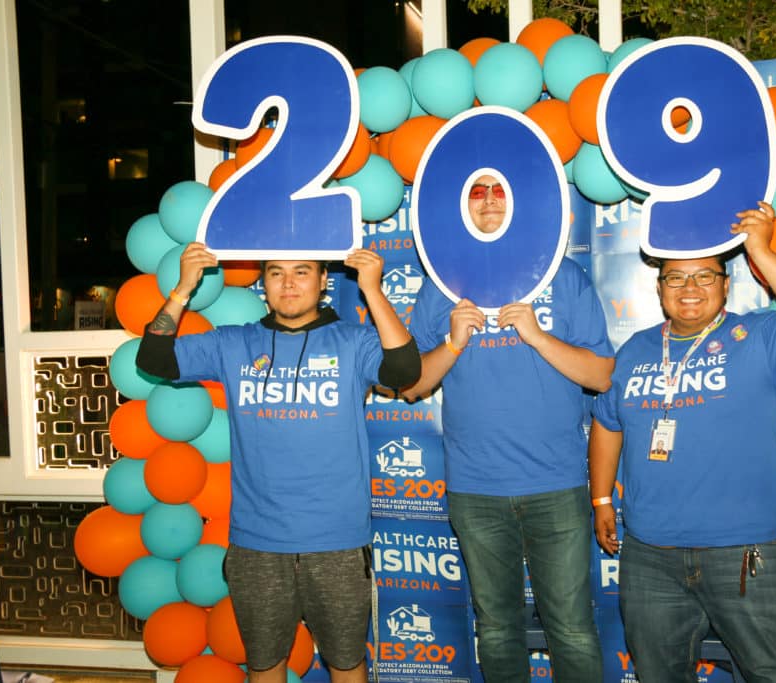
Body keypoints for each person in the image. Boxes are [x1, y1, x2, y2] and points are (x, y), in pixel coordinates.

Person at [137, 244, 420, 683]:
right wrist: (183, 288)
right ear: (263, 283)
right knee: (265, 666)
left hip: (338, 542)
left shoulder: (353, 340)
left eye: (302, 272)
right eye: (276, 273)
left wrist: (372, 290)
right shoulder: (234, 343)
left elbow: (404, 371)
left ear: (324, 280)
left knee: (347, 664)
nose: (288, 283)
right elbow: (153, 359)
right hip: (258, 543)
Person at [589, 202, 776, 682]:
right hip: (650, 553)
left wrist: (760, 251)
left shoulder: (761, 337)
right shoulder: (636, 349)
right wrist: (601, 497)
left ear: (727, 285)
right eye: (676, 279)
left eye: (705, 277)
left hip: (748, 552)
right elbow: (608, 422)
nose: (690, 289)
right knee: (657, 674)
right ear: (659, 288)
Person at [403, 175, 613, 682]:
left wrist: (538, 337)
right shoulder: (442, 286)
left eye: (501, 189)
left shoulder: (563, 277)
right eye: (477, 191)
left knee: (573, 629)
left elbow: (602, 375)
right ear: (462, 208)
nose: (492, 200)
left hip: (556, 486)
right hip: (476, 491)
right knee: (496, 628)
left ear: (519, 204)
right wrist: (452, 343)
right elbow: (411, 386)